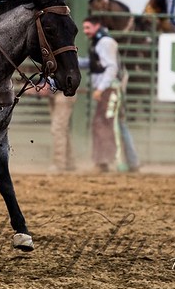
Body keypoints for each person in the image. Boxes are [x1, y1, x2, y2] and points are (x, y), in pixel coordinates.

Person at [79, 16, 139, 173]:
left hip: (110, 90)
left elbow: (112, 68)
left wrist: (101, 88)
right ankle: (130, 162)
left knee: (105, 124)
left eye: (88, 28)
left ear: (97, 26)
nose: (85, 31)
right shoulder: (101, 42)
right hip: (111, 89)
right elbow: (97, 64)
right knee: (116, 124)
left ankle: (108, 161)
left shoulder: (104, 42)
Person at [48, 91, 77, 171]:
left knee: (58, 128)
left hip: (64, 92)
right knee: (62, 128)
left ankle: (59, 163)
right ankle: (69, 162)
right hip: (56, 94)